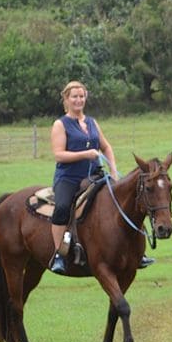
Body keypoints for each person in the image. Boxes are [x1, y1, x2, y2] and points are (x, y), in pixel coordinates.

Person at [48, 81, 118, 275]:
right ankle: (59, 254)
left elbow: (107, 147)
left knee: (123, 200)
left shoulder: (92, 122)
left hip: (95, 175)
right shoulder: (60, 124)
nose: (78, 100)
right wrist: (85, 154)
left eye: (81, 96)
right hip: (69, 177)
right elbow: (59, 155)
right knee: (62, 207)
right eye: (74, 97)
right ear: (66, 99)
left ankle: (134, 251)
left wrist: (113, 171)